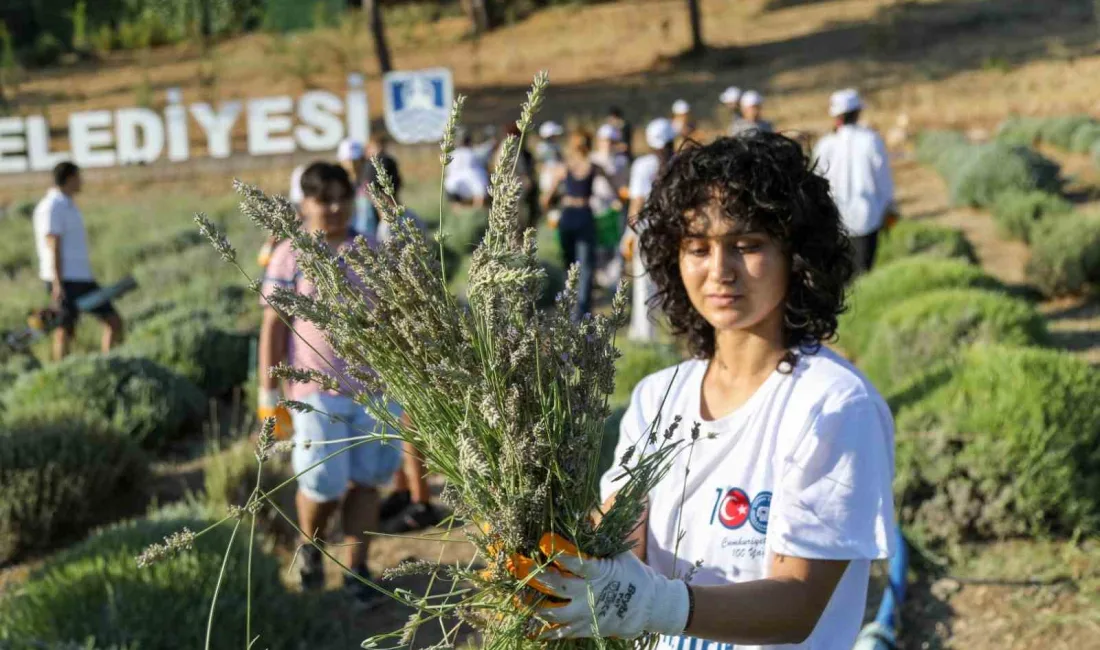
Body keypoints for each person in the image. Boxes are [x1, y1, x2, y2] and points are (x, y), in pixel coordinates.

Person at [518, 133, 895, 650]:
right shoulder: (659, 397)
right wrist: (550, 556)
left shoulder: (831, 405)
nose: (720, 272)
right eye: (698, 247)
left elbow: (798, 605)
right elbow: (620, 532)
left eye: (747, 245)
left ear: (797, 255)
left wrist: (654, 604)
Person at [258, 162, 402, 604]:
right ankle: (312, 550)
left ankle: (358, 570)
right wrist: (268, 395)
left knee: (367, 480)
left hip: (374, 390)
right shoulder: (291, 254)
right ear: (305, 204)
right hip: (313, 392)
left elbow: (395, 317)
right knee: (322, 482)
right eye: (325, 199)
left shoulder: (371, 250)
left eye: (343, 197)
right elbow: (274, 326)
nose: (336, 207)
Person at [33, 161, 124, 360]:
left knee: (113, 321)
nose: (81, 182)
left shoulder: (69, 205)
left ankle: (110, 364)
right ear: (70, 178)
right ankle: (61, 374)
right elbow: (52, 244)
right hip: (65, 279)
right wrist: (58, 284)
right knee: (65, 330)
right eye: (78, 177)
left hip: (82, 278)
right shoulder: (52, 206)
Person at [812, 89, 896, 273]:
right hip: (867, 219)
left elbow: (816, 183)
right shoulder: (871, 140)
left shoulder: (825, 145)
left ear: (836, 116)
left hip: (834, 220)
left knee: (839, 276)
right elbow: (883, 179)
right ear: (858, 113)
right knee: (863, 273)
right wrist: (889, 207)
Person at [542, 130, 611, 321]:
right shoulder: (594, 167)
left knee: (569, 264)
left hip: (568, 215)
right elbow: (614, 187)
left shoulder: (564, 168)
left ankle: (570, 308)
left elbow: (546, 198)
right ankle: (582, 311)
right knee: (586, 266)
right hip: (584, 215)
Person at [621, 118, 676, 342]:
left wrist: (628, 235)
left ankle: (645, 335)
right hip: (673, 229)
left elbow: (637, 204)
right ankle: (670, 331)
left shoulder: (643, 165)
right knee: (670, 281)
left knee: (645, 284)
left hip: (647, 230)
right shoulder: (678, 163)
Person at [490, 122, 539, 230]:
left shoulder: (503, 145)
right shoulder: (511, 145)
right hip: (513, 184)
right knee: (514, 215)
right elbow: (516, 166)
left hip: (507, 184)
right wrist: (525, 179)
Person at [444, 132, 490, 209]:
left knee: (450, 185)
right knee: (480, 187)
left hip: (459, 182)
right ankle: (477, 208)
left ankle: (458, 209)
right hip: (471, 180)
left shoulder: (454, 153)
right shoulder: (474, 152)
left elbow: (448, 169)